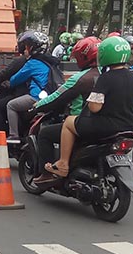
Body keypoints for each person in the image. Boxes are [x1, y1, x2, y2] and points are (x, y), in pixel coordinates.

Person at [46, 36, 133, 177]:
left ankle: (63, 163)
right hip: (131, 127)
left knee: (69, 122)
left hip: (106, 126)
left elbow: (94, 108)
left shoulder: (106, 78)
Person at [31, 36, 102, 187]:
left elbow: (58, 96)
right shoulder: (109, 75)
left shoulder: (80, 78)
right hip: (107, 123)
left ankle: (48, 173)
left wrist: (37, 106)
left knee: (45, 134)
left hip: (81, 122)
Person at [5, 31, 62, 146]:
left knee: (10, 105)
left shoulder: (33, 63)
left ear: (32, 47)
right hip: (52, 97)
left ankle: (14, 135)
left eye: (27, 45)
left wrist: (8, 82)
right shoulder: (52, 62)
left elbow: (14, 80)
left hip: (35, 98)